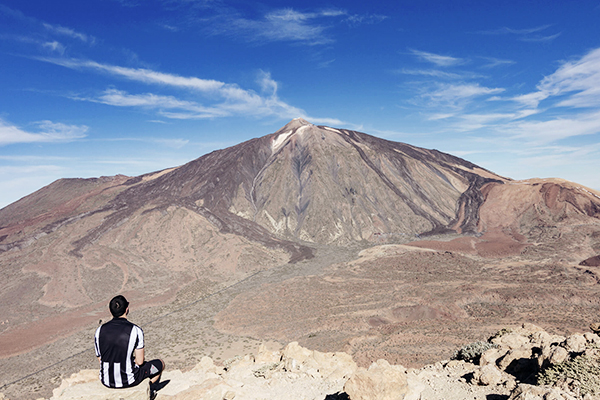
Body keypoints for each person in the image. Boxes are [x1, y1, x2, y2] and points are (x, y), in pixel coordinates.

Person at [94, 295, 165, 393]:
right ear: (127, 309)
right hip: (129, 380)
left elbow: (100, 359)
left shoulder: (99, 331)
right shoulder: (135, 330)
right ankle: (148, 390)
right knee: (160, 364)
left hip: (106, 380)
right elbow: (140, 361)